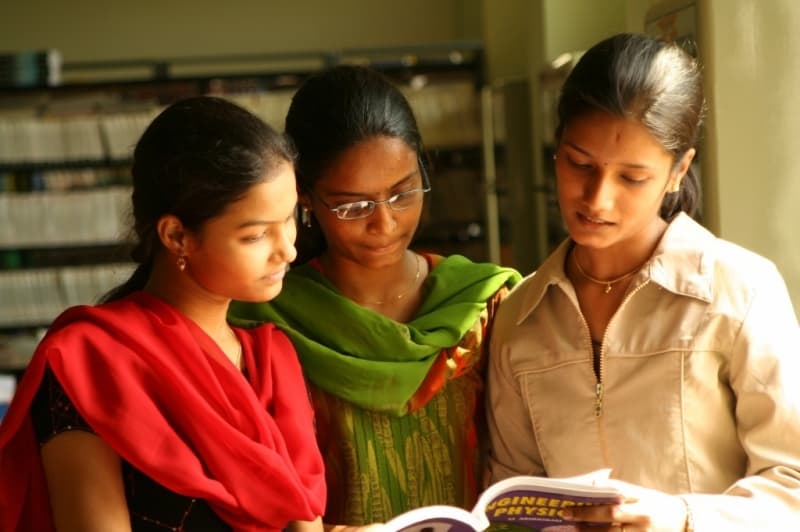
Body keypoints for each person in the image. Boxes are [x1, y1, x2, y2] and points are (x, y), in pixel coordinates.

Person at [485, 32, 800, 531]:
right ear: (556, 148)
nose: (597, 199)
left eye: (631, 178)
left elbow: (794, 482)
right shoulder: (519, 317)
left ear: (678, 171)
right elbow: (508, 501)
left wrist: (681, 516)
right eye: (579, 164)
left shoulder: (740, 291)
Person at [0, 96, 326, 531]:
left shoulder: (274, 363)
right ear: (176, 236)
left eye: (290, 220)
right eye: (255, 236)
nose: (287, 249)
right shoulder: (87, 363)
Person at [228, 65, 521, 526]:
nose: (384, 225)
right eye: (353, 205)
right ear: (304, 196)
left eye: (403, 193)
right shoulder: (265, 322)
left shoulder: (486, 304)